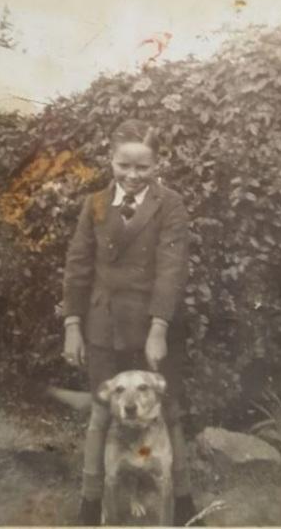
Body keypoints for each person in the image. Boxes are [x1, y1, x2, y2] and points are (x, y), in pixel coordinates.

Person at [62, 119, 197, 525]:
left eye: (143, 168)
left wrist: (158, 329)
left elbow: (171, 270)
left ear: (157, 165)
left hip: (151, 326)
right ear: (111, 159)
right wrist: (72, 324)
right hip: (102, 325)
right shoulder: (96, 204)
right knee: (102, 413)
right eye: (124, 165)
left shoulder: (170, 204)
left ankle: (184, 500)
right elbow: (78, 265)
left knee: (167, 411)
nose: (133, 176)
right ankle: (90, 502)